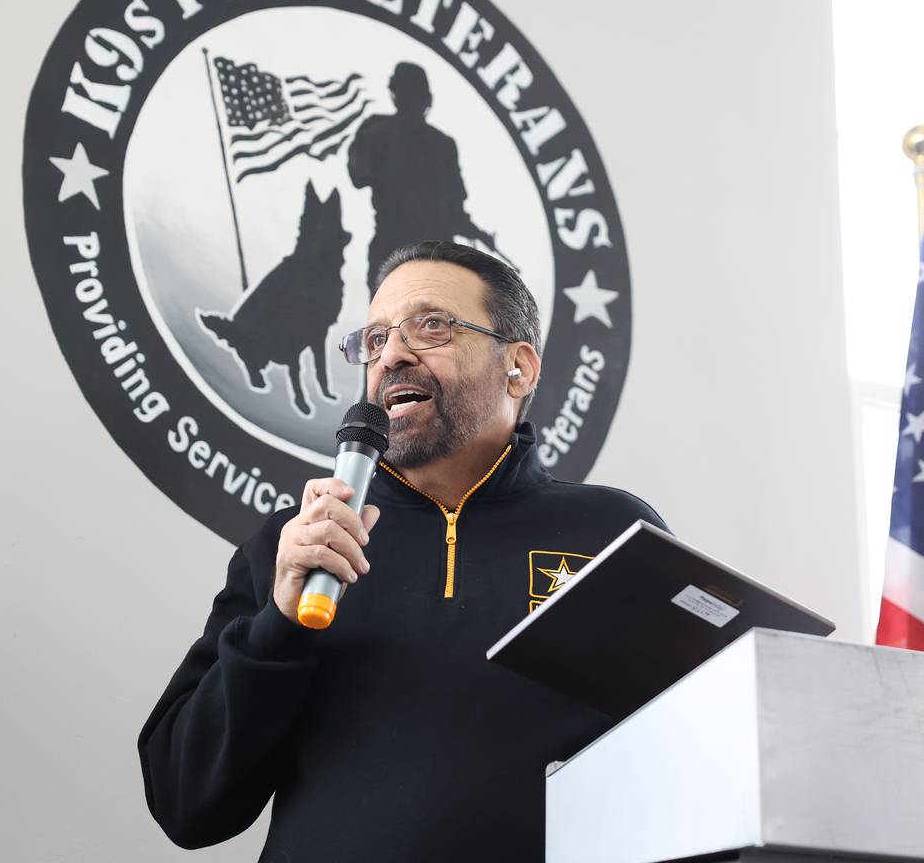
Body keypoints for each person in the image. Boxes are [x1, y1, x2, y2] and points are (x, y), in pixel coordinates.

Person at [138, 241, 665, 861]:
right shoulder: (295, 550)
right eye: (375, 338)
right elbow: (185, 803)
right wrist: (277, 629)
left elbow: (694, 760)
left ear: (518, 367)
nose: (391, 355)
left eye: (431, 326)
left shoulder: (610, 533)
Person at [348, 63, 510, 290]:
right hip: (396, 252)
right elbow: (358, 175)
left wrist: (476, 233)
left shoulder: (441, 145)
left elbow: (454, 209)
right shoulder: (380, 132)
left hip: (433, 258)